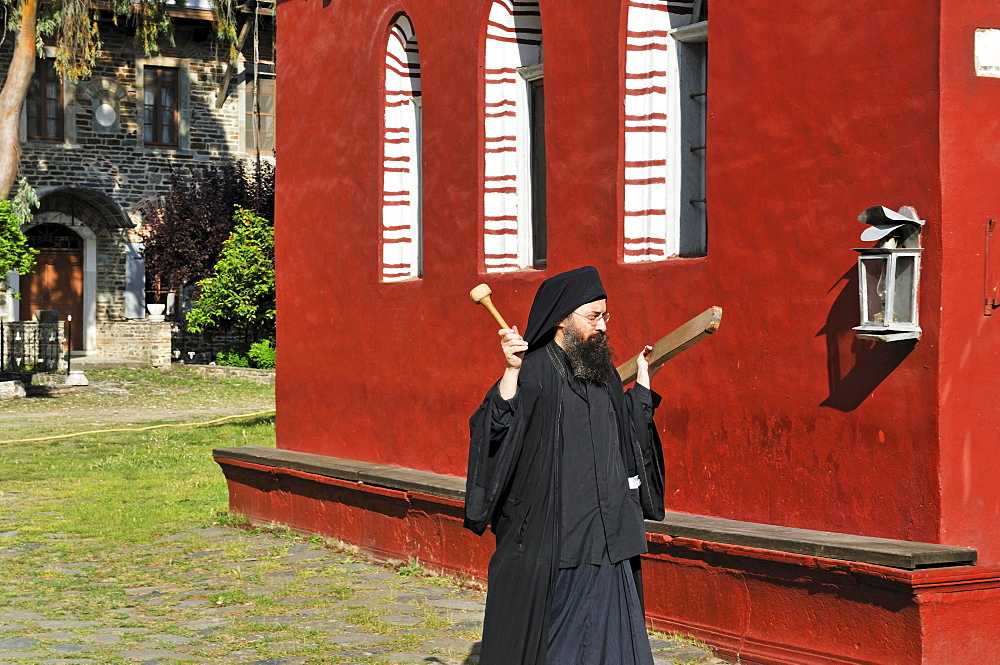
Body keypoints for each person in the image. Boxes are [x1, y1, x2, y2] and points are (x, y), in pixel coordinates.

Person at [465, 266, 666, 665]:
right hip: (558, 547)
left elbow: (625, 439)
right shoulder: (534, 369)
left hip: (610, 542)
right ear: (562, 317)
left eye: (605, 315)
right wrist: (509, 371)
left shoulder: (603, 371)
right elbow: (494, 429)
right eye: (593, 316)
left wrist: (641, 390)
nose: (603, 326)